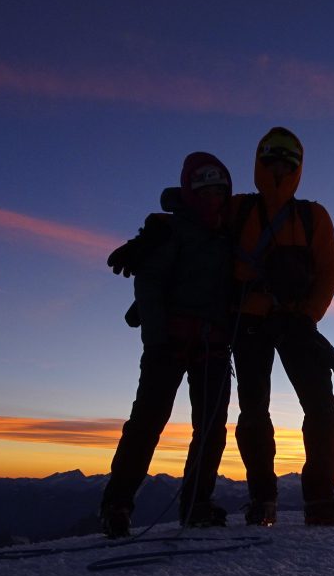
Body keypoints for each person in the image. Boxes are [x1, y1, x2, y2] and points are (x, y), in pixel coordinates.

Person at [99, 152, 235, 538]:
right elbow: (151, 284)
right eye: (204, 187)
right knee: (148, 423)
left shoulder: (228, 231)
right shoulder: (170, 229)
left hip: (211, 342)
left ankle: (194, 504)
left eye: (218, 188)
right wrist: (157, 340)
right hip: (173, 341)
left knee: (207, 428)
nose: (212, 195)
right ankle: (118, 504)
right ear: (190, 190)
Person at [230, 127, 334, 526]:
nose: (279, 168)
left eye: (287, 162)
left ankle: (318, 499)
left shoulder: (313, 217)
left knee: (320, 408)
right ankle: (263, 499)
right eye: (272, 160)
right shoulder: (238, 211)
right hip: (249, 320)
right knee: (254, 411)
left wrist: (308, 316)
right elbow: (198, 228)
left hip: (294, 319)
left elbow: (329, 272)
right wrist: (157, 228)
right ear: (260, 163)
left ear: (297, 168)